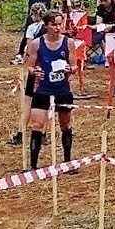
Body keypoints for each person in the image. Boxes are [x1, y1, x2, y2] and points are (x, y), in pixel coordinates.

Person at [25, 12, 75, 170]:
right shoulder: (37, 44)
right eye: (54, 24)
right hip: (43, 89)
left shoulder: (68, 43)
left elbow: (74, 65)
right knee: (37, 125)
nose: (58, 28)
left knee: (65, 125)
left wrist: (70, 69)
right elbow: (30, 66)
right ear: (46, 26)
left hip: (62, 90)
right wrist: (35, 71)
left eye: (60, 24)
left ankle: (67, 161)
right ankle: (33, 165)